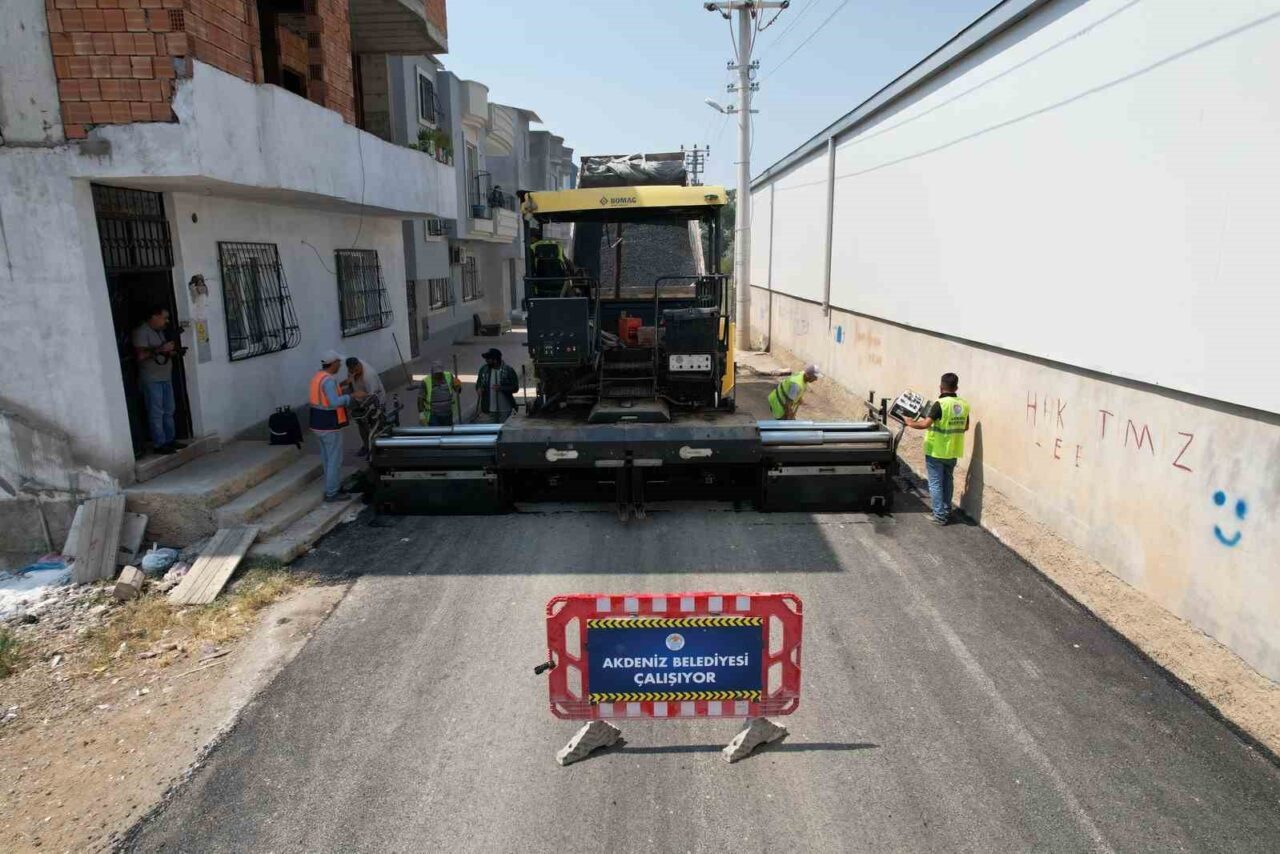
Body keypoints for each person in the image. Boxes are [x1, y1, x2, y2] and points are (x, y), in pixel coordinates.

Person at [905, 372, 971, 526]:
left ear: (940, 387)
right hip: (953, 450)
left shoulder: (939, 404)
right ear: (956, 387)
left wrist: (909, 422)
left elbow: (924, 424)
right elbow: (966, 426)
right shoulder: (964, 405)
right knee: (948, 481)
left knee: (935, 483)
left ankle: (939, 516)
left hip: (936, 451)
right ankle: (946, 511)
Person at [309, 350, 366, 502]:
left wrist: (342, 385)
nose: (340, 365)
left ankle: (331, 486)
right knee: (334, 458)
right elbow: (333, 402)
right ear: (332, 363)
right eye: (338, 362)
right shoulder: (328, 381)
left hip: (317, 424)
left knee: (327, 458)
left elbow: (325, 396)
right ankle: (332, 492)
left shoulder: (318, 377)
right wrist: (352, 396)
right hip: (328, 424)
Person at [131, 305, 185, 455]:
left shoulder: (159, 332)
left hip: (165, 376)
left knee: (169, 410)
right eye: (164, 317)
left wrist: (173, 351)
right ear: (154, 317)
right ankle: (159, 444)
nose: (166, 321)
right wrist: (162, 349)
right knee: (156, 412)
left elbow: (160, 352)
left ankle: (170, 440)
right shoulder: (142, 332)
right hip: (152, 379)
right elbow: (140, 355)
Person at [344, 356, 386, 458]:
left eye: (356, 370)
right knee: (361, 424)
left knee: (374, 425)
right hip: (360, 400)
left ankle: (378, 448)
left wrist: (364, 407)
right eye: (351, 371)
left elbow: (373, 396)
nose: (354, 372)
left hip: (375, 401)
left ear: (359, 365)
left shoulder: (368, 376)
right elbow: (350, 385)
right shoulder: (351, 370)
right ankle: (366, 446)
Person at [475, 348, 519, 423]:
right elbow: (479, 383)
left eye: (488, 359)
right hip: (489, 409)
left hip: (505, 410)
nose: (486, 360)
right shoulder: (484, 370)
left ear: (495, 360)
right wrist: (479, 388)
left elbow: (515, 388)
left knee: (503, 431)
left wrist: (501, 388)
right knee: (491, 431)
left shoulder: (508, 370)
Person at [419, 360, 461, 426]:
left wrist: (458, 385)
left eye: (440, 373)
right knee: (436, 434)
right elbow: (420, 398)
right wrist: (421, 414)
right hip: (433, 415)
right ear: (432, 372)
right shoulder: (426, 381)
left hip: (447, 414)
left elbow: (458, 390)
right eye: (436, 373)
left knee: (447, 434)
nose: (438, 375)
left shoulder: (449, 376)